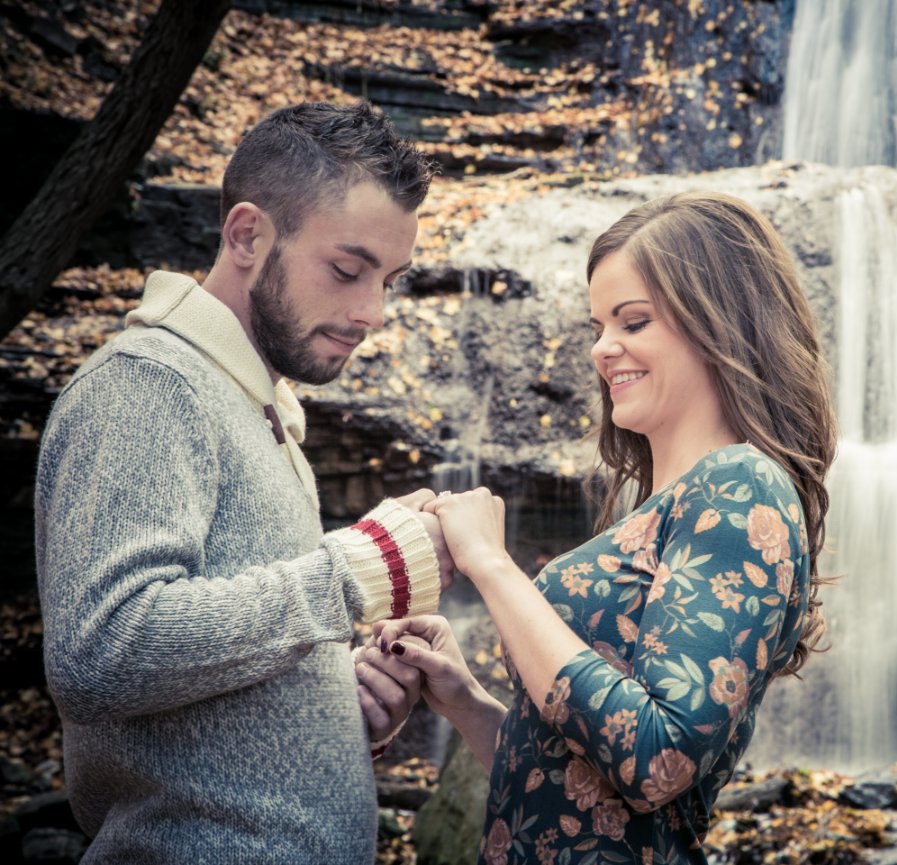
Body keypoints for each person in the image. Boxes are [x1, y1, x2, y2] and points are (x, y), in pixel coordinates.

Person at [365, 191, 838, 864]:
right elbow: (577, 795)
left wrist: (491, 567)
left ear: (719, 323)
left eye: (633, 321)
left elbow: (655, 761)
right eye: (597, 326)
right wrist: (466, 699)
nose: (601, 349)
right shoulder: (672, 504)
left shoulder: (739, 487)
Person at [35, 101, 447, 864]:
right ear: (248, 234)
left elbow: (208, 674)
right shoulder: (148, 385)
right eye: (348, 270)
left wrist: (329, 705)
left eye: (388, 279)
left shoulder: (253, 405)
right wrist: (355, 573)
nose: (372, 311)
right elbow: (100, 652)